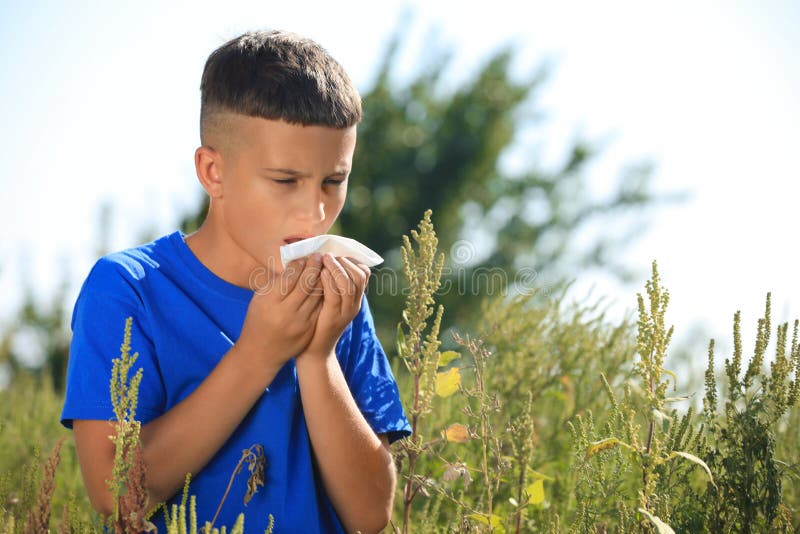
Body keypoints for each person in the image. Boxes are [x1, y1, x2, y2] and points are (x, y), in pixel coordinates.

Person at [60, 29, 411, 533]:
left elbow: (372, 515)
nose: (315, 212)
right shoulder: (129, 289)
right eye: (285, 181)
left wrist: (317, 356)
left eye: (334, 181)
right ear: (213, 172)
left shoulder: (338, 298)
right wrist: (259, 353)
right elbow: (118, 496)